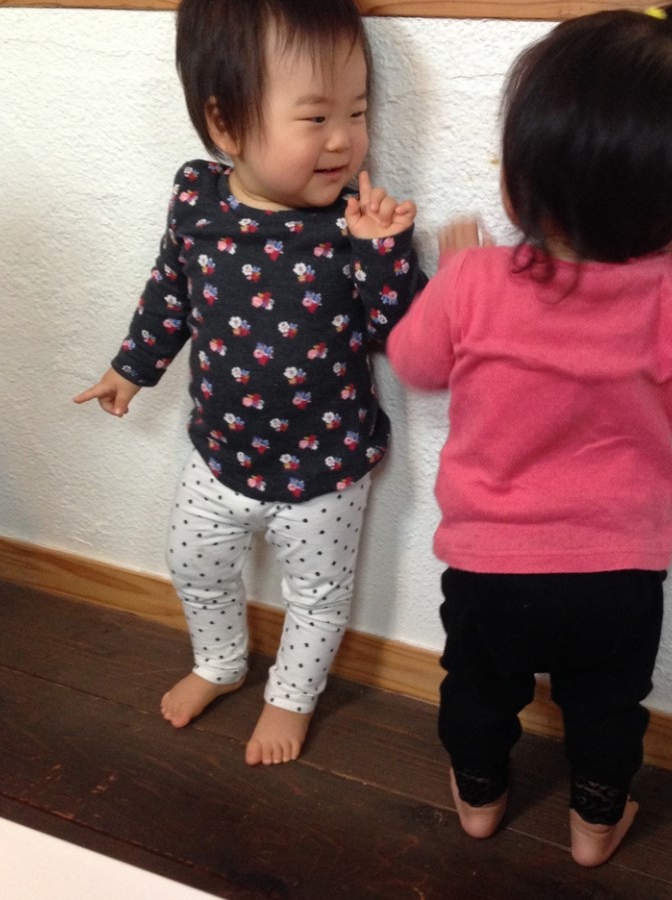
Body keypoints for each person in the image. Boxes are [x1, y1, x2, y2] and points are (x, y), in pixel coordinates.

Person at [387, 4, 672, 867]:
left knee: (477, 689)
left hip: (489, 568)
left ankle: (480, 799)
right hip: (618, 575)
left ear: (515, 185)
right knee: (608, 706)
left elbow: (414, 362)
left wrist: (452, 279)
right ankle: (595, 823)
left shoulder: (476, 279)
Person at [74, 0, 426, 767]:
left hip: (325, 468)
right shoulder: (198, 200)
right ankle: (221, 661)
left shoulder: (354, 225)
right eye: (315, 117)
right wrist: (132, 367)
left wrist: (385, 255)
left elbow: (405, 338)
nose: (344, 139)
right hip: (218, 453)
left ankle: (291, 698)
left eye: (357, 111)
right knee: (193, 565)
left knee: (317, 597)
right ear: (225, 123)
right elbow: (171, 289)